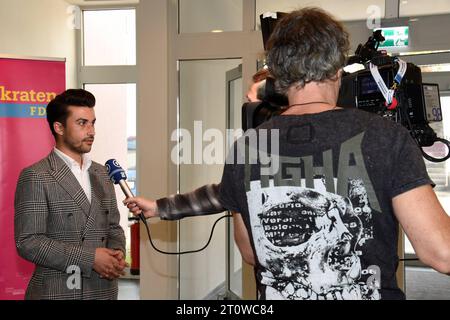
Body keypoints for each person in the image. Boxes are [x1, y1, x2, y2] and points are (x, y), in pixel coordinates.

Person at [125, 7, 450, 301]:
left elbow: (251, 252)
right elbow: (441, 253)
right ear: (337, 66)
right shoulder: (387, 137)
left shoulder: (247, 147)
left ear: (278, 74)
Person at [15, 89, 127, 300]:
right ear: (59, 127)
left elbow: (113, 227)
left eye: (93, 123)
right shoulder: (36, 175)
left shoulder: (102, 173)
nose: (91, 131)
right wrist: (90, 258)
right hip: (58, 292)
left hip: (103, 290)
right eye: (82, 123)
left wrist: (116, 253)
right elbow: (28, 242)